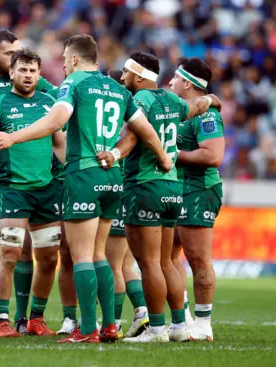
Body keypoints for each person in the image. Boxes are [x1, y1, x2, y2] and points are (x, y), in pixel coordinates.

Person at [0, 35, 171, 344]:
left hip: (83, 175)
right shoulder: (117, 88)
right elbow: (144, 131)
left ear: (72, 60)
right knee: (100, 255)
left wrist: (14, 138)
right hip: (112, 178)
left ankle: (87, 329)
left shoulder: (73, 85)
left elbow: (55, 120)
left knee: (82, 255)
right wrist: (160, 156)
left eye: (63, 60)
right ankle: (110, 325)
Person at [98, 52, 220, 343]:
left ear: (139, 76)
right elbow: (200, 104)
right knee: (166, 261)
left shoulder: (138, 101)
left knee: (149, 263)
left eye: (126, 72)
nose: (123, 77)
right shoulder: (173, 101)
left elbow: (133, 137)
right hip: (172, 189)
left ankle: (154, 329)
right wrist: (213, 99)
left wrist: (114, 154)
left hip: (144, 185)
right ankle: (179, 326)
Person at [0, 48, 66, 338]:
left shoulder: (50, 103)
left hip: (47, 191)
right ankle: (2, 320)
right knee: (10, 254)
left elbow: (60, 143)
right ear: (11, 73)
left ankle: (35, 319)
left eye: (33, 70)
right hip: (13, 190)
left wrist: (72, 172)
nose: (28, 75)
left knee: (49, 258)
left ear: (40, 74)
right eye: (22, 70)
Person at [169, 57, 225, 342]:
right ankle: (185, 318)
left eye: (174, 79)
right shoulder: (183, 110)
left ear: (187, 83)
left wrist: (174, 154)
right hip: (176, 189)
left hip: (199, 189)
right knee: (167, 257)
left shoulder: (206, 116)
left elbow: (213, 156)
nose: (170, 83)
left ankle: (204, 324)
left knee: (198, 259)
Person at [104, 69, 149, 339]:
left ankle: (116, 323)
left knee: (113, 265)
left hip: (117, 189)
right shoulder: (138, 114)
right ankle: (142, 312)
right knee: (126, 265)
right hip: (132, 191)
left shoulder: (116, 117)